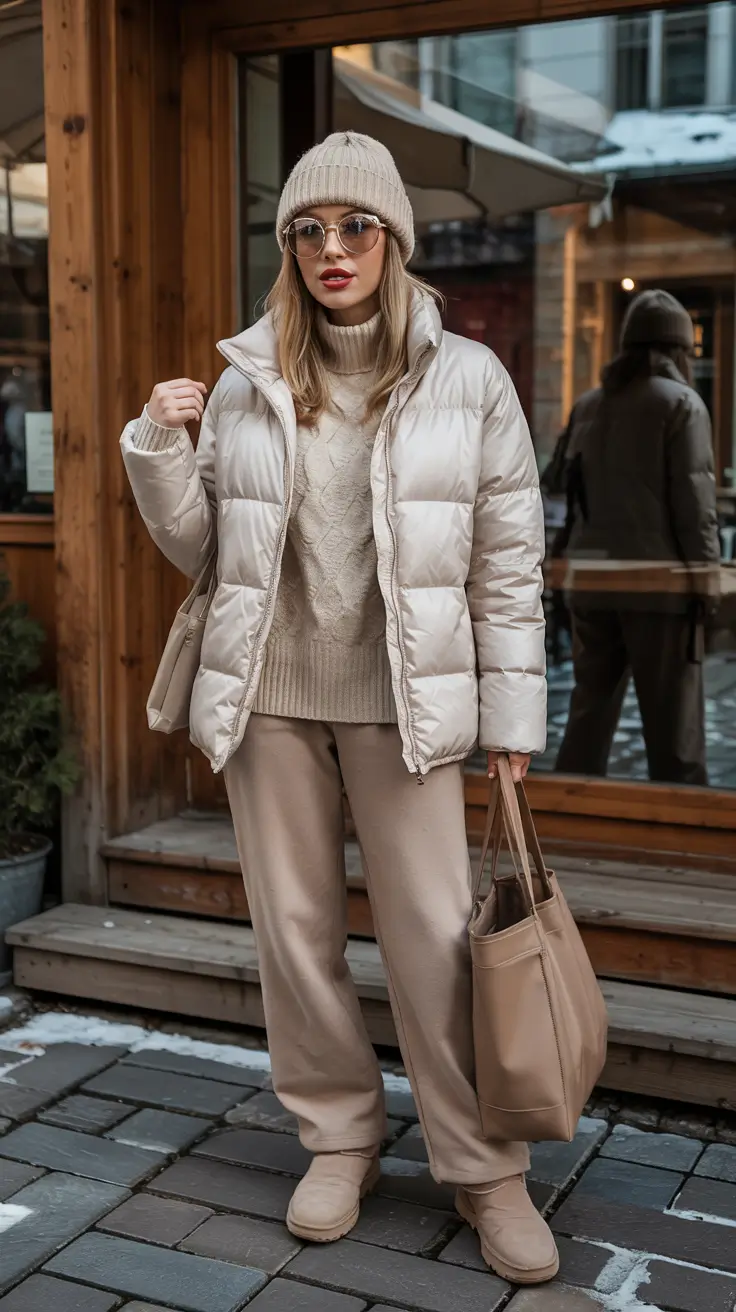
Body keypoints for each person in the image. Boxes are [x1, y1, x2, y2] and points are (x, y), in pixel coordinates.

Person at [121, 131, 555, 1284]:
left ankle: (484, 1167)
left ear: (393, 241)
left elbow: (507, 562)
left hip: (406, 707)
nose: (332, 248)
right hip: (269, 700)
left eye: (356, 226)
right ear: (290, 248)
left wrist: (511, 718)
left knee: (435, 943)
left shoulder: (468, 379)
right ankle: (338, 1137)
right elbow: (205, 550)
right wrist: (158, 446)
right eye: (309, 230)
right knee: (296, 935)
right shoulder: (246, 377)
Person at [555, 289, 720, 785]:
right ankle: (682, 822)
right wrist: (707, 583)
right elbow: (694, 507)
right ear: (678, 349)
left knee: (588, 717)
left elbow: (565, 494)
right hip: (660, 588)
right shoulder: (682, 404)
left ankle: (571, 816)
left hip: (591, 582)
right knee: (674, 728)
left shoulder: (589, 405)